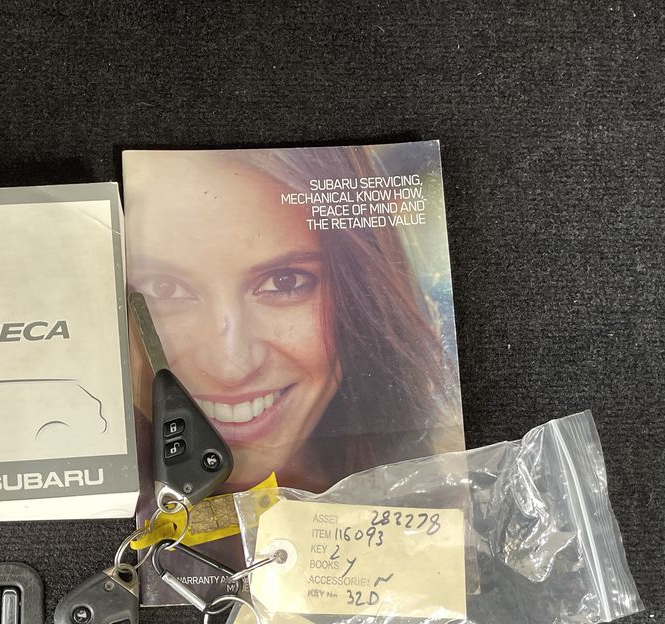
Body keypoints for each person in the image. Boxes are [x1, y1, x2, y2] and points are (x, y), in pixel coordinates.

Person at [124, 146, 462, 494]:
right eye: (164, 288)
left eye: (284, 282)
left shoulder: (451, 498)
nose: (231, 368)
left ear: (361, 296)